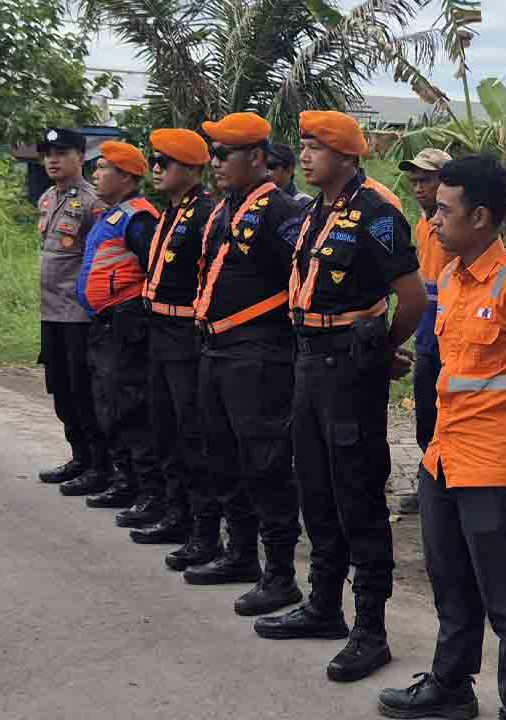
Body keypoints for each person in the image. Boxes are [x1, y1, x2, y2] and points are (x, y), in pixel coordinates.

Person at [378, 154, 506, 720]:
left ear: (481, 216)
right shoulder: (455, 279)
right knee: (451, 582)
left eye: (444, 208)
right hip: (445, 458)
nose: (433, 220)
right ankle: (450, 685)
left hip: (497, 467)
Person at [252, 111, 427, 683]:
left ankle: (370, 630)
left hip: (349, 374)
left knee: (357, 498)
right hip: (307, 364)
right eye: (303, 146)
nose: (305, 156)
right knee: (316, 490)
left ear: (348, 157)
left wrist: (380, 351)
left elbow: (413, 298)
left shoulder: (376, 214)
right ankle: (323, 604)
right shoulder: (311, 214)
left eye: (317, 147)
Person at [185, 112, 304, 619]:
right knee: (223, 456)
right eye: (212, 154)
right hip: (216, 351)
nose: (214, 163)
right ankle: (239, 554)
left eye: (223, 154)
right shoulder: (223, 209)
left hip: (258, 356)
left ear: (255, 158)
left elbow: (297, 284)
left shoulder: (278, 212)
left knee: (266, 465)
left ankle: (279, 574)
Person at [132, 128, 223, 574]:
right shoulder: (170, 212)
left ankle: (204, 530)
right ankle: (175, 513)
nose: (156, 170)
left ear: (189, 168)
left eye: (164, 163)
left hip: (187, 334)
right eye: (155, 162)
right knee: (164, 426)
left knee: (193, 435)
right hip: (159, 329)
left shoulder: (206, 212)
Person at [73, 142, 165, 529]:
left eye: (104, 168)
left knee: (130, 409)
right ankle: (124, 481)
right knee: (109, 406)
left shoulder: (140, 219)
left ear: (126, 177)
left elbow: (155, 273)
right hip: (104, 326)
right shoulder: (111, 214)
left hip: (126, 327)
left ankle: (148, 493)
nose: (95, 173)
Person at [32, 128, 113, 495]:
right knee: (60, 389)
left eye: (62, 152)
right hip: (51, 312)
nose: (53, 159)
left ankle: (101, 466)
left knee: (84, 391)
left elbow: (103, 255)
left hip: (80, 314)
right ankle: (78, 456)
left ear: (82, 157)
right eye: (48, 152)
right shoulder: (48, 197)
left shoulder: (94, 201)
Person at [395, 147, 452, 515]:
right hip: (428, 336)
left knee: (447, 412)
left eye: (427, 181)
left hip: (452, 336)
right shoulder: (421, 224)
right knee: (427, 415)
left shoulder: (455, 227)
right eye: (415, 181)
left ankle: (442, 485)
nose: (419, 188)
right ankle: (430, 478)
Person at [268, 142, 312, 209]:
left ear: (289, 170)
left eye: (270, 166)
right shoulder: (259, 201)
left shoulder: (304, 203)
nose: (266, 172)